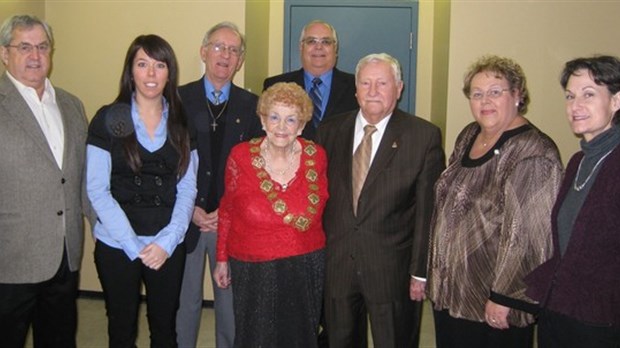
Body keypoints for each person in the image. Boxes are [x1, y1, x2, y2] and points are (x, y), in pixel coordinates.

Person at [426, 55, 563, 348]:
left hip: (492, 301)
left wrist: (505, 298)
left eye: (495, 92)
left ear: (518, 95)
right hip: (454, 293)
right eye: (477, 94)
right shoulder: (470, 135)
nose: (484, 100)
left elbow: (530, 237)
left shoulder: (533, 152)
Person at [316, 53, 445, 348]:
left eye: (382, 83)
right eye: (366, 83)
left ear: (399, 88)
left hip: (392, 272)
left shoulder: (423, 136)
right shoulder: (329, 131)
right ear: (356, 89)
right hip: (337, 268)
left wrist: (420, 272)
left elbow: (428, 212)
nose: (373, 91)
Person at [86, 34, 197, 347]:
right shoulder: (109, 118)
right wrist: (133, 245)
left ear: (169, 72)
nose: (151, 74)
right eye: (142, 64)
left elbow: (187, 186)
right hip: (118, 243)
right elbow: (96, 189)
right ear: (130, 71)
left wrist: (168, 239)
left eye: (159, 65)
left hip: (166, 245)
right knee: (121, 330)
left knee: (165, 330)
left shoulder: (181, 120)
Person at [214, 82, 328, 347]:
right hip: (252, 265)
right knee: (256, 337)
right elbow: (227, 209)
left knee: (300, 335)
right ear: (263, 120)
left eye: (291, 120)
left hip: (304, 263)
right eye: (274, 117)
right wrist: (221, 257)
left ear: (301, 126)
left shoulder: (317, 157)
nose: (281, 127)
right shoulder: (240, 156)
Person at [0, 15, 91, 348]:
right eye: (24, 47)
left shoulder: (70, 105)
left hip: (65, 256)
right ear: (4, 53)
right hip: (10, 260)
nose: (35, 55)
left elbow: (79, 179)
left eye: (42, 46)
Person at [176, 21, 263, 348]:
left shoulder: (252, 105)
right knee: (185, 301)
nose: (225, 55)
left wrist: (226, 211)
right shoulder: (178, 99)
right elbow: (169, 162)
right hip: (186, 220)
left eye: (233, 50)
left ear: (240, 60)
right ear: (203, 52)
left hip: (231, 222)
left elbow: (254, 171)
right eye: (218, 47)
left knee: (230, 304)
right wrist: (191, 209)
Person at [526, 55, 620, 348]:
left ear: (616, 102)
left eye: (589, 95)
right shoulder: (579, 160)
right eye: (570, 96)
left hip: (601, 319)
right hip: (560, 308)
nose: (575, 106)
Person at [263, 20, 357, 141]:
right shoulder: (276, 86)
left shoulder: (356, 86)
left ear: (335, 49)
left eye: (326, 42)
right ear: (301, 47)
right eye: (311, 41)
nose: (318, 47)